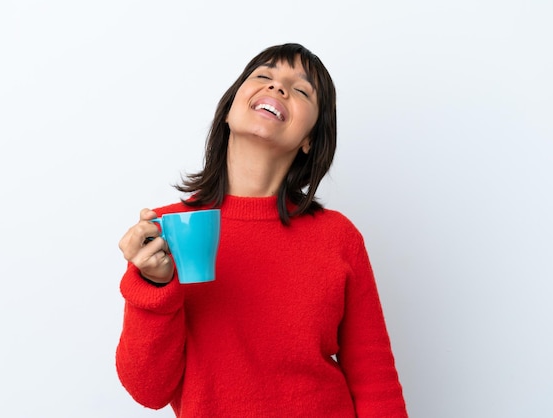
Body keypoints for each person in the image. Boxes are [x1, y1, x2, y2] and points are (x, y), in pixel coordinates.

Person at [116, 43, 408, 417]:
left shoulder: (339, 237)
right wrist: (154, 286)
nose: (278, 88)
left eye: (301, 90)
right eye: (263, 76)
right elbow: (149, 390)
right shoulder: (167, 231)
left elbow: (375, 379)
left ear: (309, 140)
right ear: (229, 110)